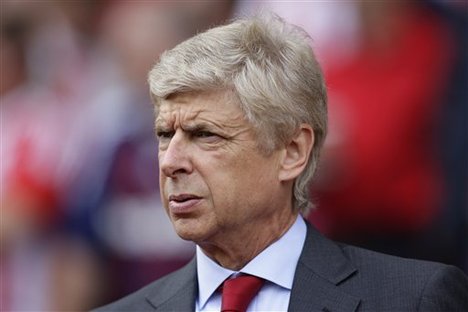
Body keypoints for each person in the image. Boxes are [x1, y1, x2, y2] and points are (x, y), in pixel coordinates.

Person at [93, 14, 468, 312]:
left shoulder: (412, 300)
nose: (170, 162)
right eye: (164, 135)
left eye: (205, 134)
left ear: (292, 152)